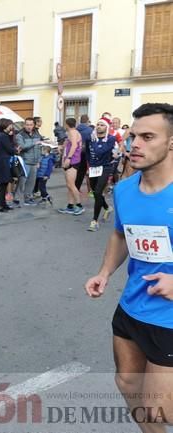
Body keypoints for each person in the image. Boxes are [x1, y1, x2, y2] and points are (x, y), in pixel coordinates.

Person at [84, 103, 173, 433]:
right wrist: (105, 272)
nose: (134, 143)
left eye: (148, 137)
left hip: (169, 318)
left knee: (160, 409)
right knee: (128, 385)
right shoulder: (123, 190)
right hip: (132, 308)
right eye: (134, 136)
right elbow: (121, 235)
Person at [85, 117, 116, 232]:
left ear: (106, 127)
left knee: (98, 192)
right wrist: (90, 165)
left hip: (105, 167)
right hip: (93, 168)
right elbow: (87, 153)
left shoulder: (110, 139)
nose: (99, 127)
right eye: (97, 124)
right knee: (95, 192)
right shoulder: (90, 139)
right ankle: (107, 208)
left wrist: (95, 142)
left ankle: (94, 221)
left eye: (102, 125)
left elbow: (99, 151)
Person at [58, 118, 84, 215]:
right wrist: (62, 148)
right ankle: (70, 205)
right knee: (69, 185)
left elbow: (74, 146)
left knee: (71, 185)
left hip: (72, 161)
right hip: (70, 161)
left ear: (67, 124)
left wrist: (68, 158)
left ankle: (79, 205)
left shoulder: (73, 132)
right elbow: (68, 145)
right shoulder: (72, 132)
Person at [0, 118, 15, 212]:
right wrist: (16, 150)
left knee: (4, 184)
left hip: (1, 162)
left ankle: (3, 204)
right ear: (5, 125)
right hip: (3, 163)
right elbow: (10, 149)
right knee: (3, 185)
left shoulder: (0, 135)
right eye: (10, 124)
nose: (12, 126)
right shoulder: (3, 136)